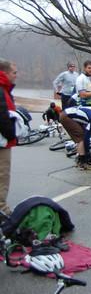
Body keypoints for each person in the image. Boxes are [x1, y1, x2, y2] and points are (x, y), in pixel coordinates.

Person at [0, 59, 17, 215]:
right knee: (2, 174)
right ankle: (2, 211)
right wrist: (12, 135)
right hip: (2, 142)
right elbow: (2, 115)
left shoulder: (5, 88)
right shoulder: (1, 88)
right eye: (14, 72)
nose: (16, 76)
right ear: (4, 73)